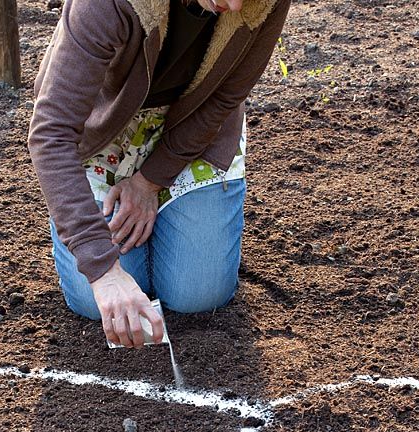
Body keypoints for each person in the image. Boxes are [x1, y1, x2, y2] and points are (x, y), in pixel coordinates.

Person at [28, 0, 291, 348]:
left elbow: (225, 97)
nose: (236, 5)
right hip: (105, 131)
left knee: (199, 295)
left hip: (190, 131)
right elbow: (52, 133)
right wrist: (104, 271)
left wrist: (149, 181)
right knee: (95, 300)